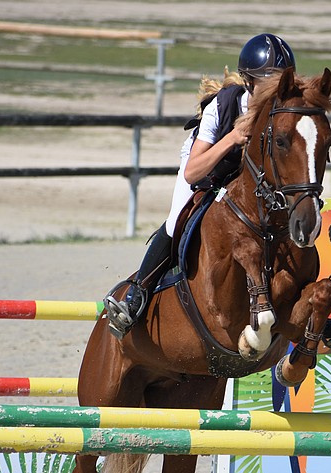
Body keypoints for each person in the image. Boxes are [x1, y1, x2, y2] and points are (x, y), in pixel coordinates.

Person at [105, 33, 296, 338]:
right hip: (206, 166)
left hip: (245, 177)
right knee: (177, 218)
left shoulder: (282, 112)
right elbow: (194, 171)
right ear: (248, 81)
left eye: (280, 79)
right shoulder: (221, 106)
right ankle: (137, 294)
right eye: (267, 79)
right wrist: (233, 138)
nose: (276, 87)